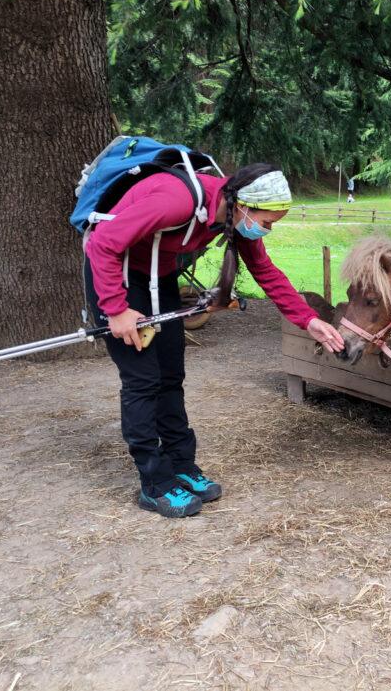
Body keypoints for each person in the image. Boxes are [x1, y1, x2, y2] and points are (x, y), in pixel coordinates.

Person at [85, 163, 345, 519]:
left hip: (159, 279)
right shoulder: (176, 201)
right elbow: (102, 244)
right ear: (242, 204)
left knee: (171, 376)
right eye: (266, 222)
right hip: (118, 276)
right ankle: (154, 484)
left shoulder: (231, 219)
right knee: (143, 381)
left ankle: (181, 467)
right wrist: (116, 309)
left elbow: (264, 271)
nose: (265, 231)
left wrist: (308, 319)